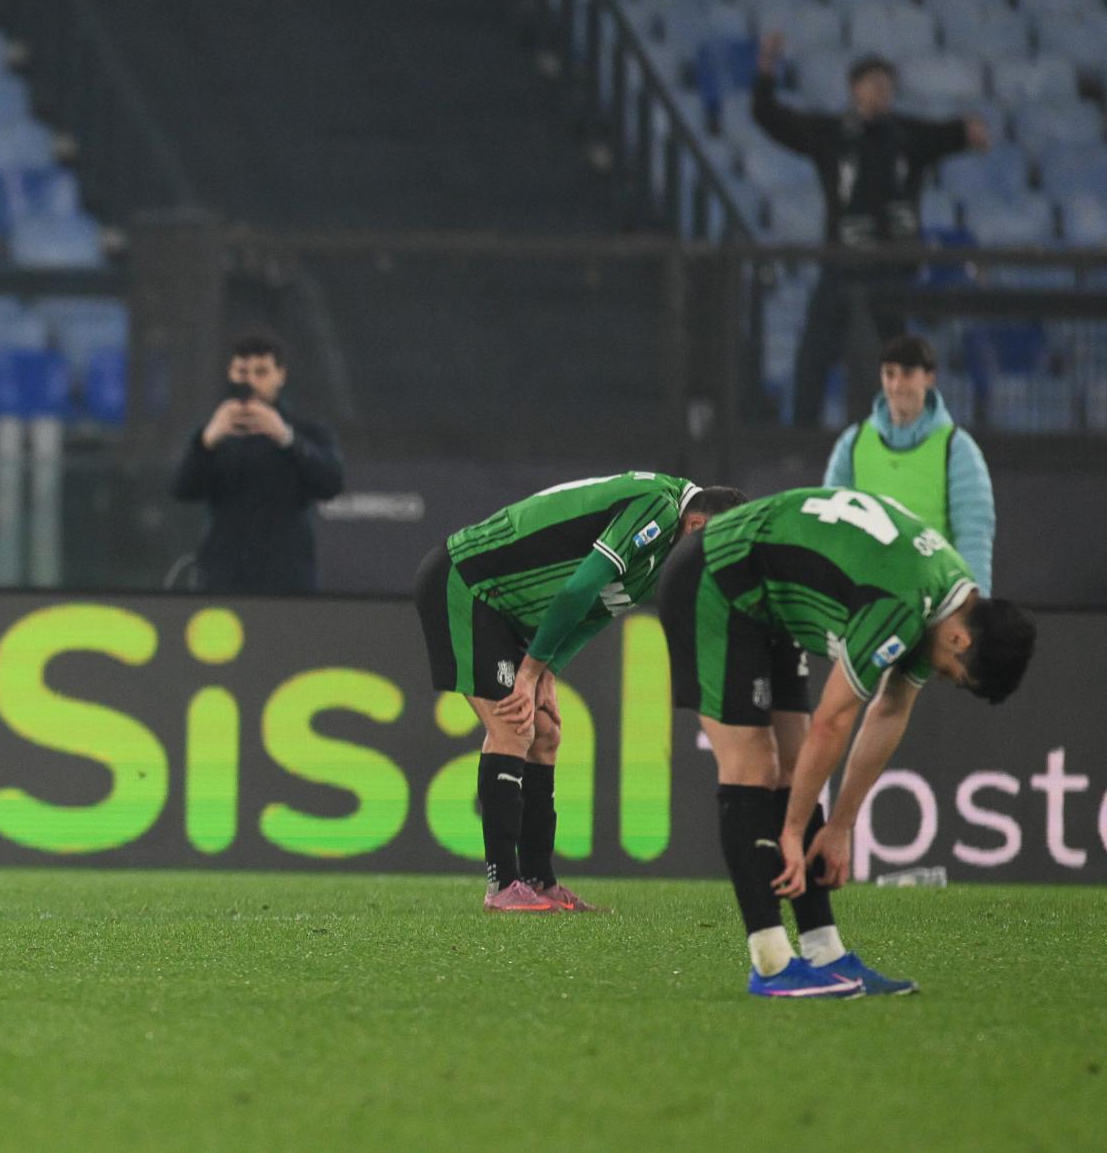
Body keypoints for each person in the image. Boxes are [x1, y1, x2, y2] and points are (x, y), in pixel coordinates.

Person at [658, 486, 1035, 999]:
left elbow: (890, 709)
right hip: (715, 582)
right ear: (960, 640)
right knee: (753, 766)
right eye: (958, 676)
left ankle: (824, 953)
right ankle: (771, 964)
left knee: (795, 770)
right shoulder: (903, 602)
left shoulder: (949, 599)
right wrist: (792, 831)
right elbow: (833, 722)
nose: (946, 679)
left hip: (772, 601)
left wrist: (839, 827)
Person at [413, 473, 745, 912]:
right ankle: (501, 886)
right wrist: (530, 670)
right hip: (466, 585)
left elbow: (599, 608)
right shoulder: (657, 508)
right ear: (698, 526)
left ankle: (539, 879)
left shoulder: (665, 549)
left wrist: (548, 668)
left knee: (545, 734)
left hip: (503, 608)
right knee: (514, 727)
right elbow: (580, 586)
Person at [752, 35, 991, 427]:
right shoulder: (830, 134)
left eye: (887, 86)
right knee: (814, 356)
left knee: (894, 363)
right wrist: (766, 68)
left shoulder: (904, 135)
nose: (882, 92)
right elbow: (770, 116)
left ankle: (901, 437)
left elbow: (949, 134)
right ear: (854, 89)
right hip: (843, 266)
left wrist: (970, 133)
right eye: (874, 84)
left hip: (892, 272)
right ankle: (800, 440)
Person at [169, 331, 344, 593]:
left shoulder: (307, 431)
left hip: (288, 580)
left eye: (261, 372)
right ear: (230, 373)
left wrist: (286, 438)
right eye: (242, 372)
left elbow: (331, 483)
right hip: (224, 578)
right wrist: (207, 443)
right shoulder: (212, 435)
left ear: (280, 375)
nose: (250, 381)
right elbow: (181, 489)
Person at [824, 333, 994, 591]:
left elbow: (973, 536)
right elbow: (832, 524)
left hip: (933, 598)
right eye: (889, 374)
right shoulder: (853, 444)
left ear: (929, 377)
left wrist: (974, 608)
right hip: (866, 599)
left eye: (907, 373)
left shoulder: (957, 449)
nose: (896, 385)